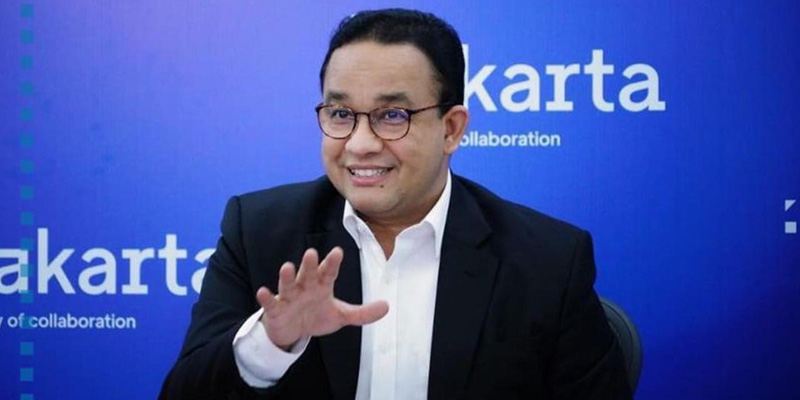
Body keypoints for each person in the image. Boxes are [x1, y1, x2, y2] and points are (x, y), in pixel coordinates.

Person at [159, 8, 631, 400]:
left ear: (451, 129)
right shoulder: (259, 232)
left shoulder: (548, 260)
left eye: (391, 115)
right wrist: (270, 342)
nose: (360, 144)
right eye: (341, 113)